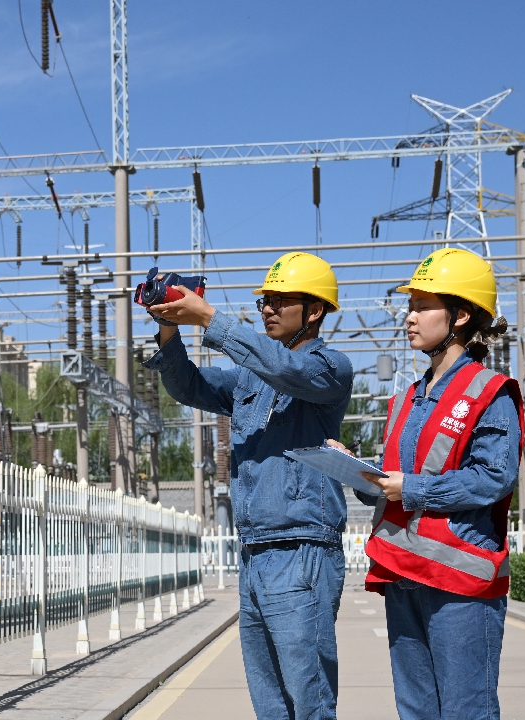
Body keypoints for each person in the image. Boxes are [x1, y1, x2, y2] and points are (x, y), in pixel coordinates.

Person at [143, 252, 354, 720]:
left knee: (308, 697)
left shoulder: (330, 369)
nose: (267, 309)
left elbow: (287, 371)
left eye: (280, 301)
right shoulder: (248, 379)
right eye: (264, 301)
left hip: (302, 549)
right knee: (270, 702)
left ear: (314, 310)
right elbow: (190, 387)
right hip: (255, 552)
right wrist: (169, 327)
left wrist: (210, 319)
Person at [332, 247, 523, 720]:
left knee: (466, 709)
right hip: (404, 574)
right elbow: (396, 480)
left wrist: (412, 490)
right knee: (416, 709)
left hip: (459, 582)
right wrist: (359, 473)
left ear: (458, 317)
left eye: (421, 306)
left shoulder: (488, 391)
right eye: (410, 306)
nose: (410, 316)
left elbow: (494, 477)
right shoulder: (406, 400)